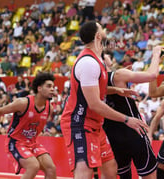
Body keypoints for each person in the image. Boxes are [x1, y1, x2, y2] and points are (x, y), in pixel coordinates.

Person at [60, 21, 148, 179]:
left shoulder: (98, 60)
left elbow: (91, 89)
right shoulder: (88, 63)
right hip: (79, 123)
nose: (106, 30)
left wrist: (115, 90)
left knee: (110, 168)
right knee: (84, 172)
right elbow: (94, 104)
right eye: (102, 28)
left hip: (95, 124)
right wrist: (127, 119)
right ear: (98, 36)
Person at [0, 73, 57, 179]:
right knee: (33, 166)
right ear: (39, 88)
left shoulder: (49, 108)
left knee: (51, 168)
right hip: (15, 142)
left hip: (32, 143)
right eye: (49, 86)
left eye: (53, 87)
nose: (52, 89)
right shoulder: (23, 103)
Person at [103, 45, 163, 179]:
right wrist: (156, 54)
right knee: (149, 175)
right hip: (134, 131)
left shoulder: (92, 83)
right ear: (103, 59)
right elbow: (152, 75)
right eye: (106, 54)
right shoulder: (118, 75)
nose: (109, 56)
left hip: (112, 137)